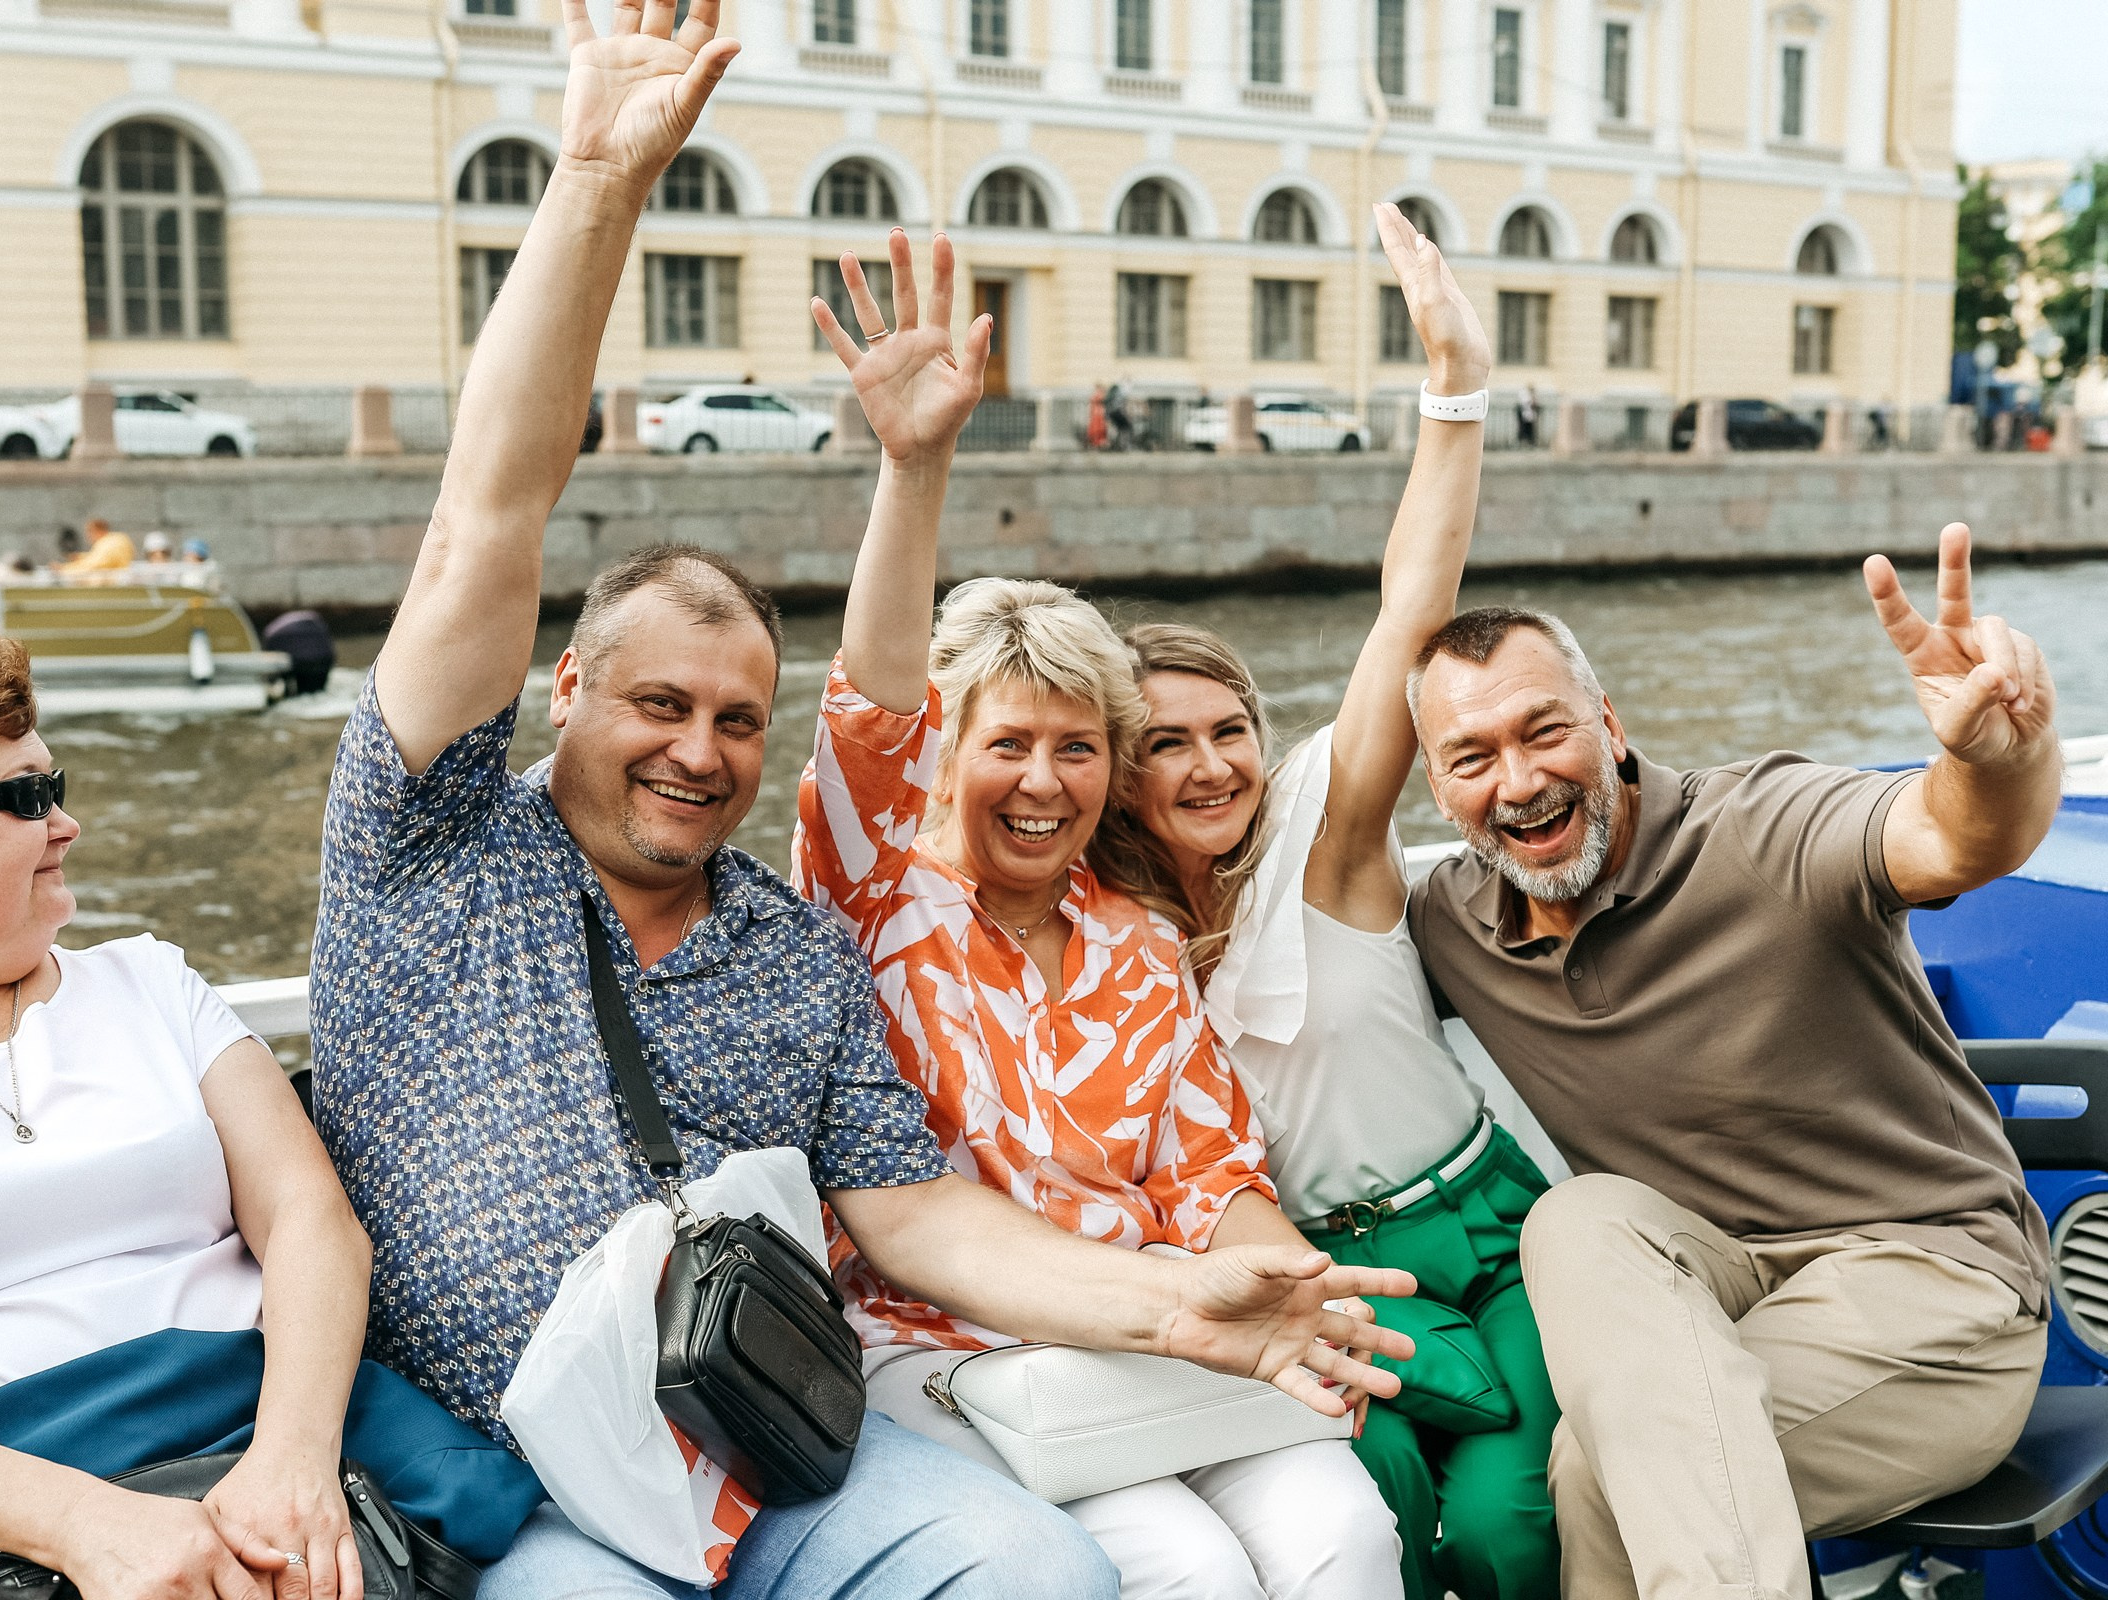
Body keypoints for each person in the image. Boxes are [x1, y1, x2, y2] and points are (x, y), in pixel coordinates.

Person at [308, 5, 1415, 1595]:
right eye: (659, 707)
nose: (700, 752)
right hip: (511, 1481)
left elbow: (916, 1214)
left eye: (735, 720)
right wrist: (599, 183)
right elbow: (484, 519)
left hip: (763, 1440)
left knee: (1055, 1577)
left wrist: (1187, 1304)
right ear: (566, 689)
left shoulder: (795, 948)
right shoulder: (431, 846)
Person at [791, 231, 1410, 1600]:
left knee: (1346, 1532)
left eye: (1078, 748)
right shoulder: (873, 893)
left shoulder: (1136, 942)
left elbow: (1211, 1173)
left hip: (1163, 1336)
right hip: (948, 1354)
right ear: (945, 754)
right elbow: (869, 707)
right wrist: (914, 466)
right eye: (1008, 744)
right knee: (1186, 1569)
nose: (1043, 781)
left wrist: (1287, 1283)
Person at [0, 613, 535, 1600]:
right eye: (24, 797)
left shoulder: (152, 983)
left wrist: (291, 1462)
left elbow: (311, 1220)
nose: (66, 824)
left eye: (54, 787)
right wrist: (89, 1527)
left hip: (287, 1443)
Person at [1404, 527, 2059, 1600]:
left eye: (1545, 731)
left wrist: (1999, 759)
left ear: (1610, 726)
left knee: (1594, 1478)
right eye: (1472, 758)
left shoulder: (1761, 828)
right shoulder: (1451, 923)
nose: (1518, 782)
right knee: (1576, 1217)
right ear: (1437, 787)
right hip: (1720, 1292)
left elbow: (1951, 838)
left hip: (1934, 1290)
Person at [1084, 204, 1556, 1600]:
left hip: (1484, 1231)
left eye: (1229, 728)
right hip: (1311, 1280)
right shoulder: (1102, 937)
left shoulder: (1322, 838)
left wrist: (1453, 387)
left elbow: (1412, 612)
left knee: (1505, 1527)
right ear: (1114, 775)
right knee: (1378, 1509)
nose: (1212, 764)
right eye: (1165, 743)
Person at [57, 518, 133, 581]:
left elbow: (94, 565)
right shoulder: (119, 538)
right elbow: (96, 557)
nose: (88, 536)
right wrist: (80, 557)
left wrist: (64, 569)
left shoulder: (108, 543)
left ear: (97, 530)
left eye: (89, 531)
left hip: (113, 583)